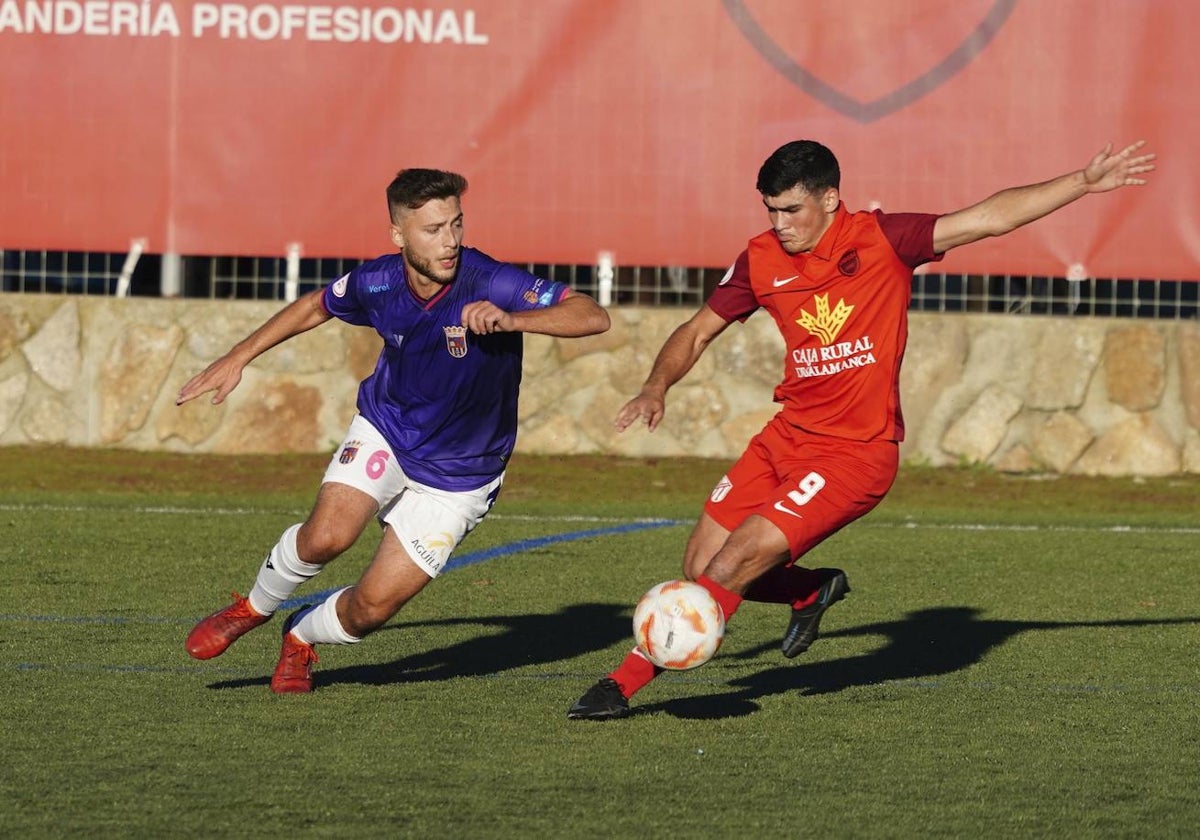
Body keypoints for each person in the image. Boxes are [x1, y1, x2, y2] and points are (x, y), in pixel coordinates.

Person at [568, 140, 1156, 719]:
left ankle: (621, 683)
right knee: (700, 565)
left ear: (830, 198)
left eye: (791, 210)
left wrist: (1082, 181)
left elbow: (986, 219)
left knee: (729, 568)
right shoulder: (760, 258)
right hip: (786, 437)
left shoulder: (883, 240)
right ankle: (807, 591)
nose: (780, 224)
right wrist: (655, 386)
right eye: (770, 210)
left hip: (854, 455)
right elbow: (697, 331)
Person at [179, 168, 610, 693]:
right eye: (432, 229)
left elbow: (591, 316)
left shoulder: (491, 281)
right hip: (388, 428)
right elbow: (317, 304)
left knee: (370, 609)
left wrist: (513, 320)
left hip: (461, 475)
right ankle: (252, 607)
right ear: (399, 235)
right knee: (326, 537)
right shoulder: (378, 281)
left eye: (456, 224)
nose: (450, 241)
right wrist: (238, 356)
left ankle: (300, 635)